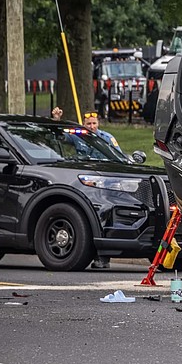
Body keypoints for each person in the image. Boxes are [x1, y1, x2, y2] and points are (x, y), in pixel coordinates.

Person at [51, 107, 121, 269]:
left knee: (105, 219)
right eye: (88, 123)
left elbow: (119, 159)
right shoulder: (78, 136)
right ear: (84, 123)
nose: (91, 126)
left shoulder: (107, 138)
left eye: (94, 123)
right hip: (84, 183)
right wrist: (57, 119)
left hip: (104, 183)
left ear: (99, 123)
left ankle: (103, 258)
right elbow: (60, 137)